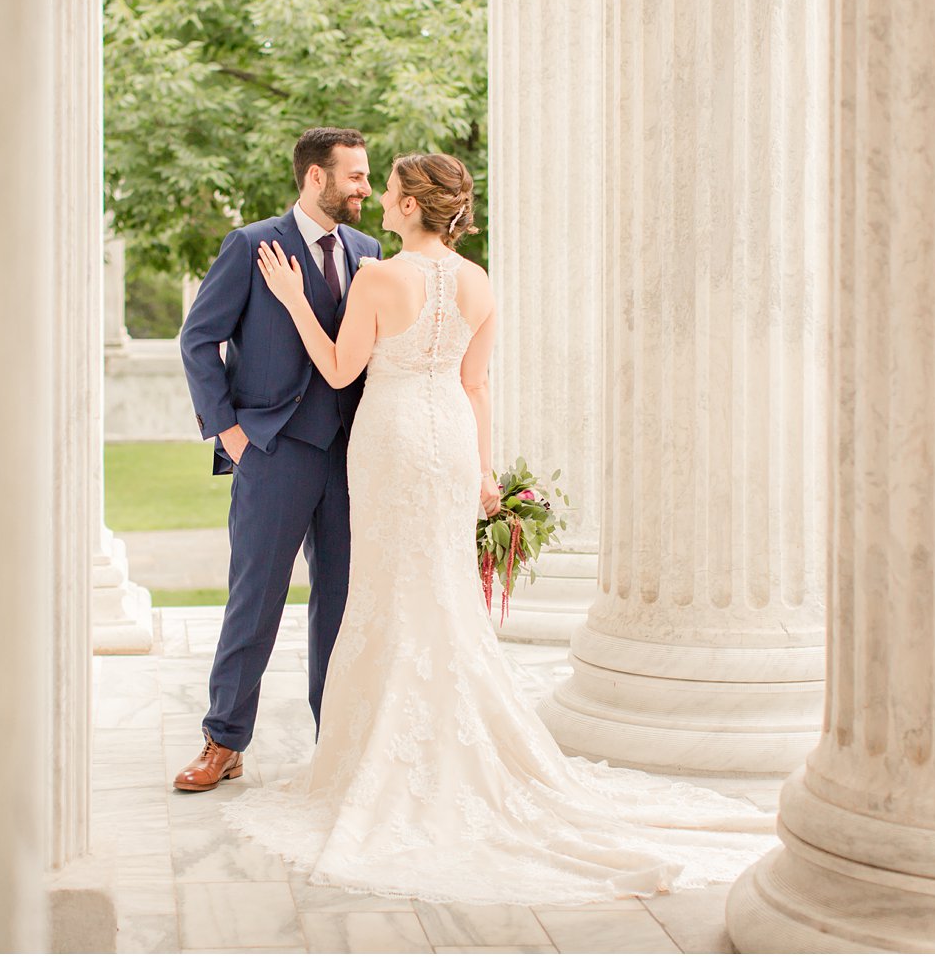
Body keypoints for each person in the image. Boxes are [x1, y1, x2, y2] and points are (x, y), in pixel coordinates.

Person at [221, 151, 778, 905]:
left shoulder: (379, 278)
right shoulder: (478, 280)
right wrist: (482, 474)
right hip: (449, 442)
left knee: (386, 588)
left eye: (388, 189)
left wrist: (291, 298)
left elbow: (339, 370)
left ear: (413, 206)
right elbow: (475, 384)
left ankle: (382, 756)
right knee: (440, 591)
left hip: (389, 442)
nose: (380, 199)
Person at [175, 127, 383, 791]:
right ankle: (223, 740)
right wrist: (229, 434)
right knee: (254, 601)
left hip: (349, 457)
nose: (366, 188)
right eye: (355, 175)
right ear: (314, 177)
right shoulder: (250, 245)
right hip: (273, 451)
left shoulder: (369, 252)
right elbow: (197, 340)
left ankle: (337, 741)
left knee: (342, 605)